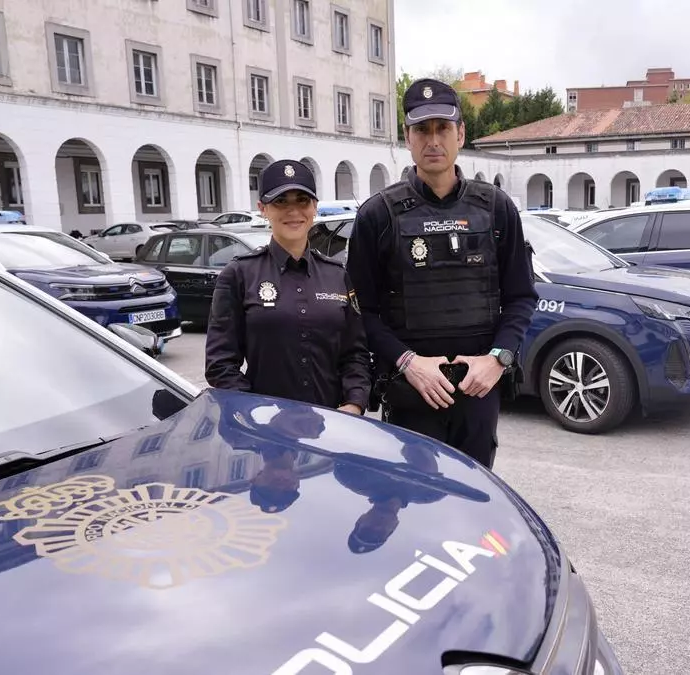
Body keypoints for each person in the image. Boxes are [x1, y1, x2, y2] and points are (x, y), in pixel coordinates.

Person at [346, 77, 538, 470]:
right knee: (416, 505)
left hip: (478, 390)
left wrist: (497, 359)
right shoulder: (378, 215)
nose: (433, 140)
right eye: (422, 129)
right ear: (408, 137)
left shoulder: (497, 208)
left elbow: (521, 296)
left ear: (461, 133)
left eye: (443, 128)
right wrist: (408, 363)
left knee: (475, 501)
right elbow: (360, 312)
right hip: (411, 393)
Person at [205, 159, 372, 417]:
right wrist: (256, 413)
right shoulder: (239, 274)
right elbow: (220, 364)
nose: (293, 211)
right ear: (263, 209)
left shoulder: (337, 275)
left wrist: (354, 404)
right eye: (281, 201)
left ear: (315, 207)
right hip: (266, 433)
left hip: (332, 426)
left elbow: (355, 355)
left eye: (302, 200)